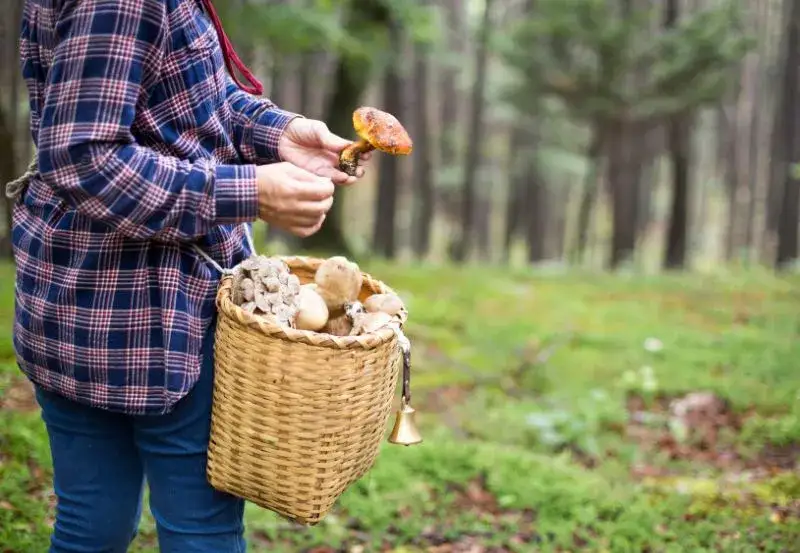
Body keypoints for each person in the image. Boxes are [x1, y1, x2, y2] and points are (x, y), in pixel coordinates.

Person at [9, 0, 371, 551]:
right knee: (199, 531)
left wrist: (281, 131)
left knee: (92, 526)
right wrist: (248, 191)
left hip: (66, 305)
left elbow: (187, 96)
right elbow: (84, 156)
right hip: (159, 319)